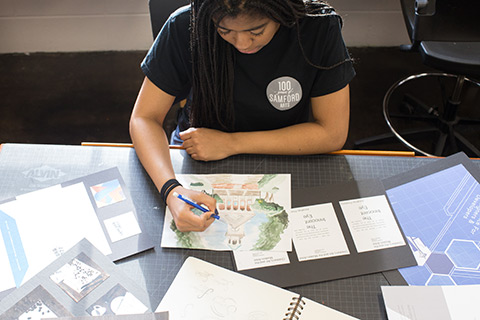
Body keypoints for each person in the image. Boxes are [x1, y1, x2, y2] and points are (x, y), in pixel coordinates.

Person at [130, 0, 355, 232]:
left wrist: (231, 143)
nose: (241, 43)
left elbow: (332, 133)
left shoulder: (318, 27)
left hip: (286, 150)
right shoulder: (186, 24)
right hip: (197, 150)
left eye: (256, 31)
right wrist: (171, 189)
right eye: (224, 30)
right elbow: (144, 118)